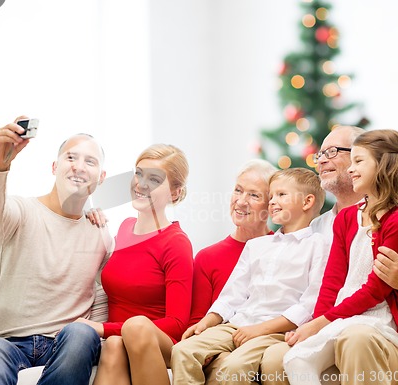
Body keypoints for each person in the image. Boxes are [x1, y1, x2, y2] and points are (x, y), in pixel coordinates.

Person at [0, 117, 113, 385]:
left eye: (90, 162)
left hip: (66, 344)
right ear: (55, 167)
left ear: (101, 177)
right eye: (71, 158)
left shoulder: (100, 233)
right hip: (7, 343)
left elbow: (102, 296)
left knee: (83, 334)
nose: (79, 167)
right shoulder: (20, 212)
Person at [283, 129, 398, 385]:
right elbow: (332, 281)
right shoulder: (346, 219)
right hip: (343, 315)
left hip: (378, 318)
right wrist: (317, 323)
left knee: (355, 339)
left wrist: (323, 322)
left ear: (384, 167)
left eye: (359, 161)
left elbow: (376, 290)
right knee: (296, 359)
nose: (351, 169)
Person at [171, 167, 329, 385]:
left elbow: (309, 304)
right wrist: (208, 321)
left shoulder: (319, 245)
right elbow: (233, 294)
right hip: (238, 323)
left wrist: (259, 330)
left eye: (281, 195)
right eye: (271, 196)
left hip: (274, 331)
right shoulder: (256, 246)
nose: (272, 201)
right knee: (182, 351)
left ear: (307, 202)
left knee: (233, 368)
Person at [78, 144, 194, 385]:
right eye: (139, 174)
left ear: (174, 193)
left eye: (154, 179)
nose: (141, 184)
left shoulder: (176, 243)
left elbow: (176, 324)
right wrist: (86, 216)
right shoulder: (123, 227)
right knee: (114, 346)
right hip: (117, 340)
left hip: (155, 342)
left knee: (134, 328)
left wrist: (102, 329)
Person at [189, 159, 277, 385]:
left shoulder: (285, 251)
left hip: (267, 346)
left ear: (272, 205)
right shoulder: (208, 257)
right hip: (220, 350)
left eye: (254, 195)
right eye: (238, 190)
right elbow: (199, 320)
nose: (241, 201)